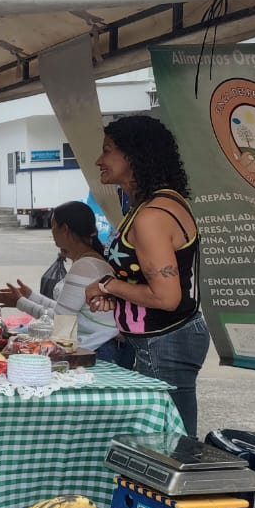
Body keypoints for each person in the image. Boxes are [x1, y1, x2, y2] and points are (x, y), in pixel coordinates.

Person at [85, 115, 208, 435]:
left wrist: (107, 284)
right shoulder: (148, 206)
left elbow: (166, 298)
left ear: (135, 155)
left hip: (166, 341)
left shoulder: (151, 216)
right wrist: (117, 293)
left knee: (170, 444)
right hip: (161, 339)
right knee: (163, 442)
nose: (100, 160)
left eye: (108, 150)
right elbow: (147, 281)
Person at [0, 201, 118, 359]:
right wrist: (31, 296)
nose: (51, 233)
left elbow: (60, 318)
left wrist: (20, 302)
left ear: (64, 229)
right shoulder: (90, 262)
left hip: (96, 348)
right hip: (99, 346)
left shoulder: (84, 266)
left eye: (53, 226)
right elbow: (66, 309)